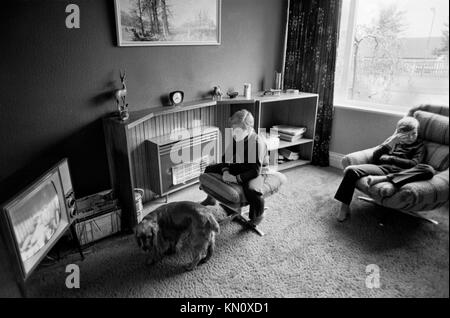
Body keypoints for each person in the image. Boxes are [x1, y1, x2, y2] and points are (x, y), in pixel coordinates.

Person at [334, 116, 435, 222]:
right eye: (406, 135)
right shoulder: (392, 141)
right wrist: (390, 143)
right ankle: (344, 208)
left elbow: (413, 164)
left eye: (414, 133)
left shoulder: (420, 146)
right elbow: (376, 157)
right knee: (351, 171)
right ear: (399, 133)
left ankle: (385, 179)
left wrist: (390, 158)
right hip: (382, 169)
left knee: (428, 169)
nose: (411, 138)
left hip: (403, 173)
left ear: (417, 131)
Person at [201, 109, 268, 225]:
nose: (233, 133)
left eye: (236, 131)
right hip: (241, 165)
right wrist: (226, 171)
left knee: (252, 190)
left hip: (257, 171)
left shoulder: (257, 142)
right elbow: (225, 157)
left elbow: (255, 171)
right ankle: (211, 199)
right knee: (208, 169)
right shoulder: (236, 136)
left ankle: (258, 216)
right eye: (232, 130)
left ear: (248, 130)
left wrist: (235, 179)